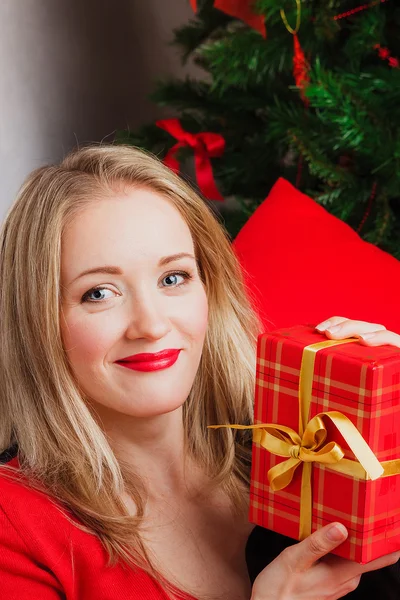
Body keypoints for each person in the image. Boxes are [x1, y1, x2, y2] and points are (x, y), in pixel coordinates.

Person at [0, 144, 398, 600]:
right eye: (99, 293)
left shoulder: (295, 454)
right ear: (36, 321)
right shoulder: (15, 529)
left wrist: (391, 417)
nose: (151, 325)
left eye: (173, 278)